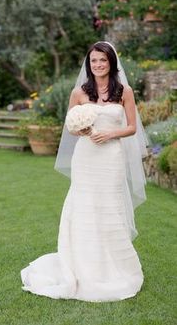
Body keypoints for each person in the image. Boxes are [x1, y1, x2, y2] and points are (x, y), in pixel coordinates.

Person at [21, 41, 148, 302]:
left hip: (111, 156)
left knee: (109, 206)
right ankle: (81, 265)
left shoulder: (125, 91)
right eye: (93, 61)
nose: (98, 64)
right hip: (86, 158)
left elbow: (132, 128)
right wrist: (84, 129)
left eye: (102, 60)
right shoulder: (79, 92)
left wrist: (110, 133)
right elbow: (70, 127)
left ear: (111, 62)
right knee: (85, 206)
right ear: (88, 64)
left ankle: (115, 268)